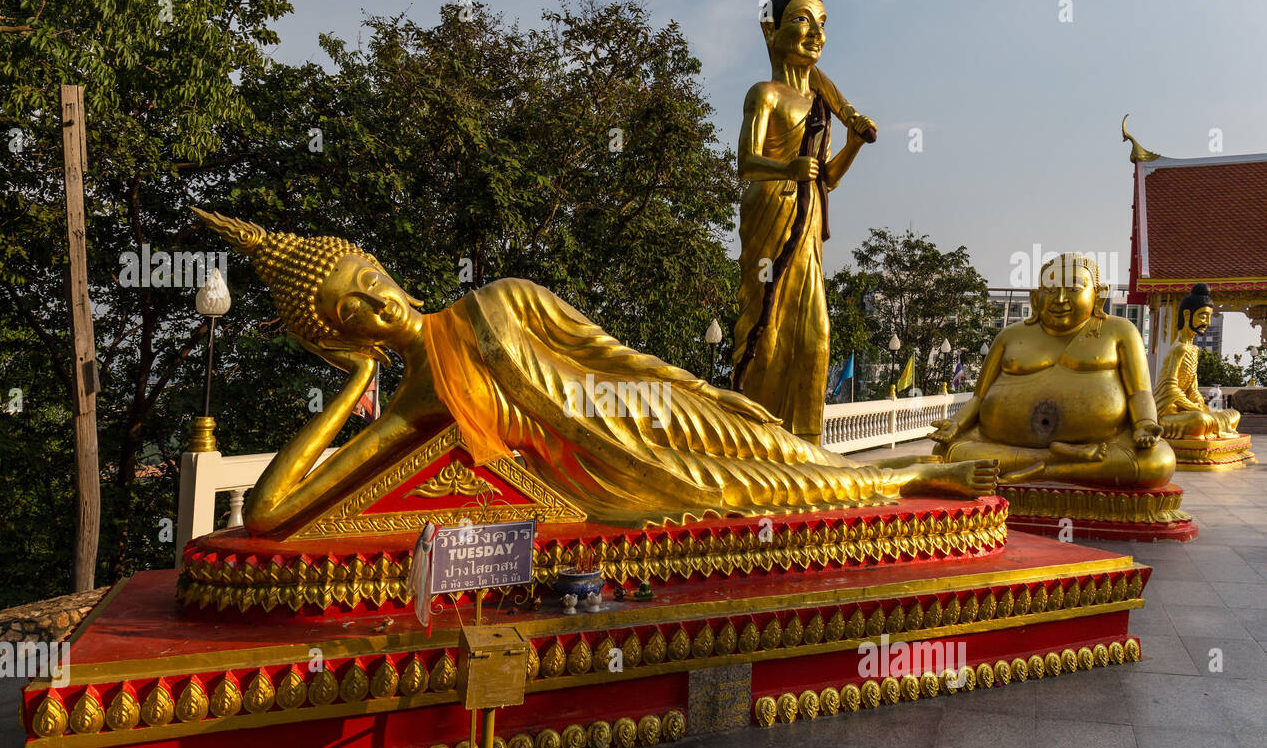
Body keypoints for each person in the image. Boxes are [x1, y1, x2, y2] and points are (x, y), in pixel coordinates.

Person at [192, 210, 996, 535]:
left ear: (383, 268)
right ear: (346, 337)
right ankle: (916, 479)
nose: (378, 307)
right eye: (352, 315)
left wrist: (702, 388)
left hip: (656, 408)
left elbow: (609, 352)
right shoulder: (416, 399)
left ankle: (910, 473)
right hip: (622, 479)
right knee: (769, 491)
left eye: (369, 284)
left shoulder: (502, 300)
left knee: (791, 451)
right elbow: (266, 516)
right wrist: (346, 387)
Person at [732, 0, 876, 444]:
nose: (816, 33)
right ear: (770, 30)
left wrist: (852, 142)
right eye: (802, 20)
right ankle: (756, 440)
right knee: (765, 327)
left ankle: (805, 445)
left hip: (808, 224)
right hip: (771, 211)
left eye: (822, 23)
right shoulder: (765, 95)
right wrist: (787, 168)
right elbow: (745, 162)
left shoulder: (820, 105)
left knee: (815, 335)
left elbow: (826, 177)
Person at [931, 253, 1175, 487]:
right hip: (1000, 440)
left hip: (1103, 442)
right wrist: (956, 424)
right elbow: (979, 396)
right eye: (1050, 290)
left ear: (1099, 295)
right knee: (946, 453)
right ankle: (1057, 460)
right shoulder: (1011, 335)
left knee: (1157, 461)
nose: (1059, 299)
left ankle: (1040, 469)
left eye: (1073, 289)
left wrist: (1144, 424)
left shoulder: (1120, 331)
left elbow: (1139, 392)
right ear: (1036, 298)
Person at [1154, 283, 1242, 438]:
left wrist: (1200, 403)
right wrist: (1195, 409)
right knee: (1200, 420)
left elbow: (1192, 389)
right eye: (1202, 316)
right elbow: (1170, 389)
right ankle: (1213, 428)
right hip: (1168, 412)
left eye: (1209, 317)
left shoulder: (1193, 349)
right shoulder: (1178, 348)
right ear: (1187, 315)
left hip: (1186, 411)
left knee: (1234, 414)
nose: (1207, 323)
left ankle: (1213, 428)